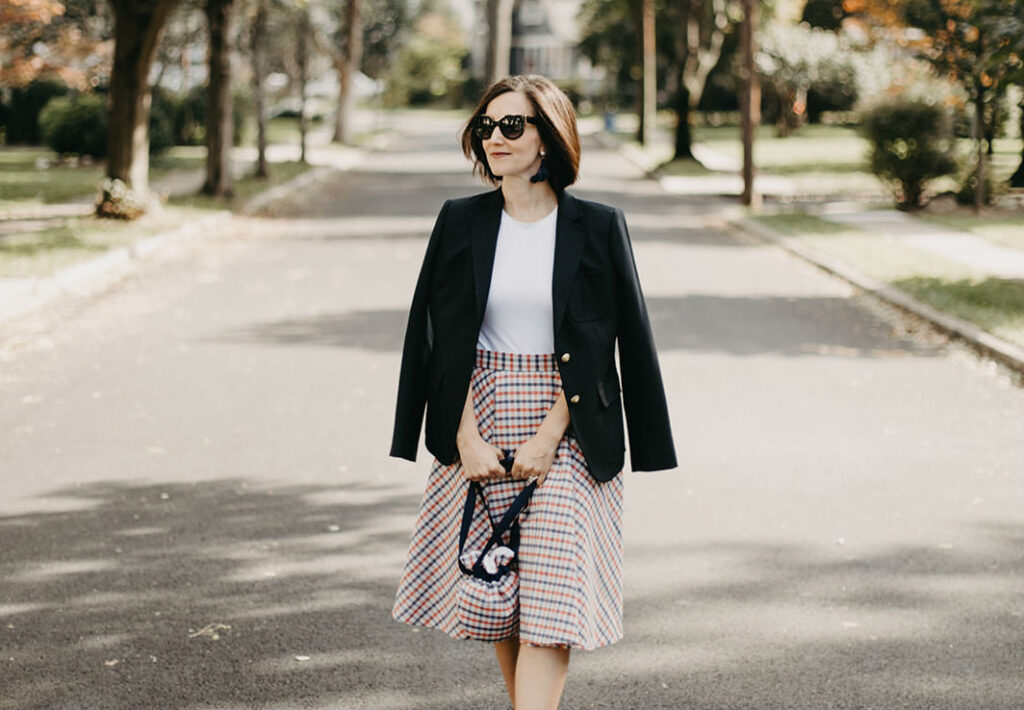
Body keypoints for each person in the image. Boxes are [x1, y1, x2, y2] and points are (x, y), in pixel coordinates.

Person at [390, 74, 676, 710]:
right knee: (502, 589)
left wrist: (551, 435)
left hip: (567, 420)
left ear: (549, 136)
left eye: (512, 125)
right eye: (487, 126)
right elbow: (436, 335)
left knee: (554, 595)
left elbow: (614, 340)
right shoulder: (460, 222)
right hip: (481, 408)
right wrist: (462, 434)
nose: (496, 137)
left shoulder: (597, 226)